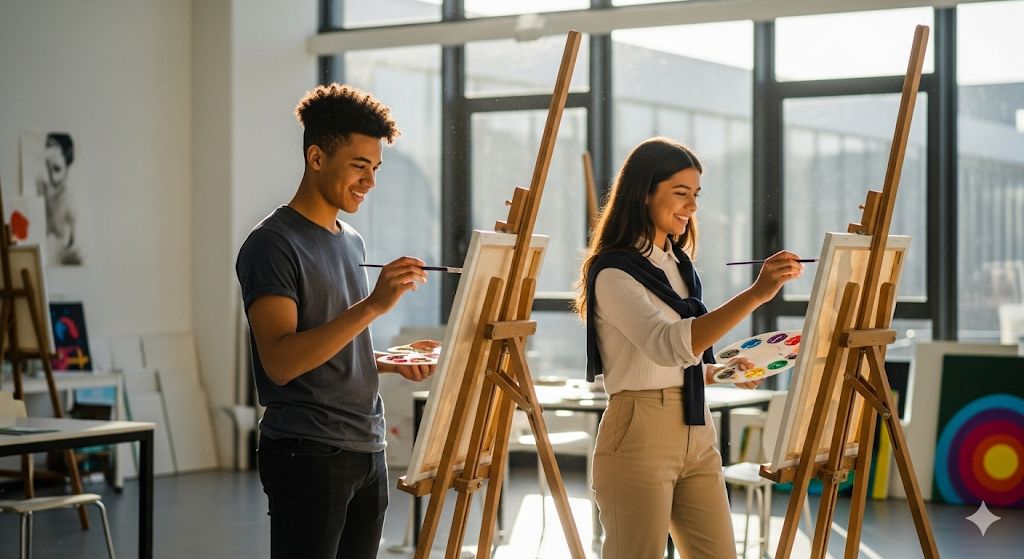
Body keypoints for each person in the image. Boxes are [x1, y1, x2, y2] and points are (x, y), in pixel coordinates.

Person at [574, 137, 804, 559]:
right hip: (639, 430)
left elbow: (684, 358)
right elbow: (668, 346)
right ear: (644, 192)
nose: (692, 206)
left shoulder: (680, 268)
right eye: (681, 193)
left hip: (697, 427)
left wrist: (724, 371)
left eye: (696, 195)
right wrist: (756, 294)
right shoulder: (613, 273)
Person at [236, 83, 437, 559]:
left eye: (376, 168)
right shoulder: (272, 245)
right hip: (307, 452)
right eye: (359, 166)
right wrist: (372, 305)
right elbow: (282, 361)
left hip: (367, 445)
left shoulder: (352, 241)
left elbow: (331, 344)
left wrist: (387, 362)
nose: (370, 181)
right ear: (316, 158)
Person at [37, 132, 81, 265]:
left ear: (67, 167)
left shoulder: (70, 201)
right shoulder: (40, 189)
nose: (51, 176)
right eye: (47, 167)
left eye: (56, 169)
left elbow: (70, 243)